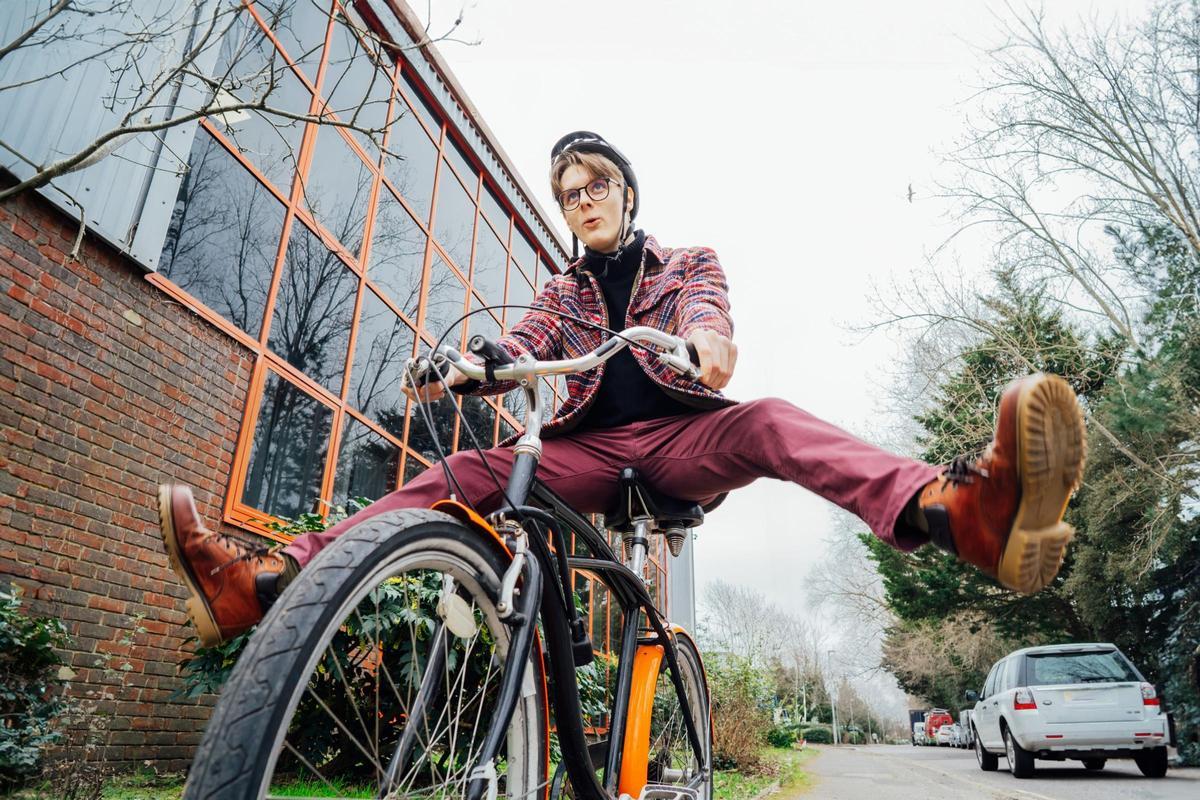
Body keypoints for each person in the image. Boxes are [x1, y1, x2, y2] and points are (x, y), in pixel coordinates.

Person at [159, 131, 1086, 647]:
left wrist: (707, 345)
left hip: (682, 443)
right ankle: (264, 583)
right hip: (588, 453)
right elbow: (522, 344)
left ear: (626, 193)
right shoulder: (561, 292)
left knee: (770, 420)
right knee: (463, 475)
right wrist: (468, 367)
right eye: (569, 193)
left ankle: (957, 514)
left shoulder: (687, 262)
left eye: (596, 184)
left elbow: (709, 317)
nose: (584, 199)